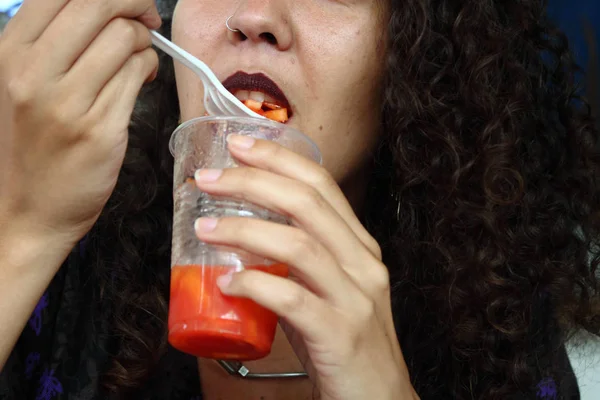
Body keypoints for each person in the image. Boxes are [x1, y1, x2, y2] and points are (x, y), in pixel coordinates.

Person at [0, 0, 598, 399]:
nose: (255, 15)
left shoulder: (490, 313)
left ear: (413, 52)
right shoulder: (68, 238)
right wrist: (22, 232)